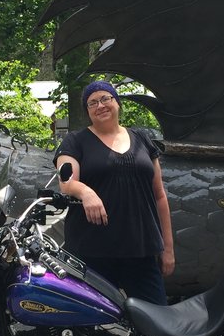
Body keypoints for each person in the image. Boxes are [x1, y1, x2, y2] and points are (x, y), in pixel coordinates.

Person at [54, 80, 175, 305]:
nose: (100, 105)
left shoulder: (142, 139)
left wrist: (167, 248)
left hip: (141, 250)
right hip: (92, 252)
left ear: (117, 103)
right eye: (92, 103)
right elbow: (67, 181)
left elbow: (159, 195)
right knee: (96, 320)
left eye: (105, 99)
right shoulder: (75, 141)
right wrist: (85, 192)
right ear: (88, 111)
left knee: (157, 318)